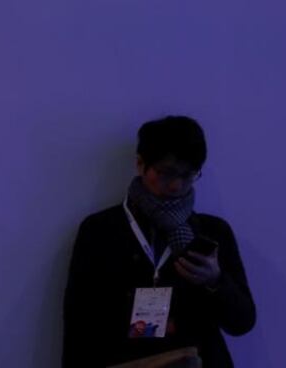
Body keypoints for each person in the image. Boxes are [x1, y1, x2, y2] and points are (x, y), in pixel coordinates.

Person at [62, 116, 256, 367]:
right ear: (140, 164)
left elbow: (242, 322)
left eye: (188, 175)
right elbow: (78, 325)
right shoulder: (100, 230)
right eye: (166, 173)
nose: (177, 185)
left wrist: (215, 281)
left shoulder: (212, 232)